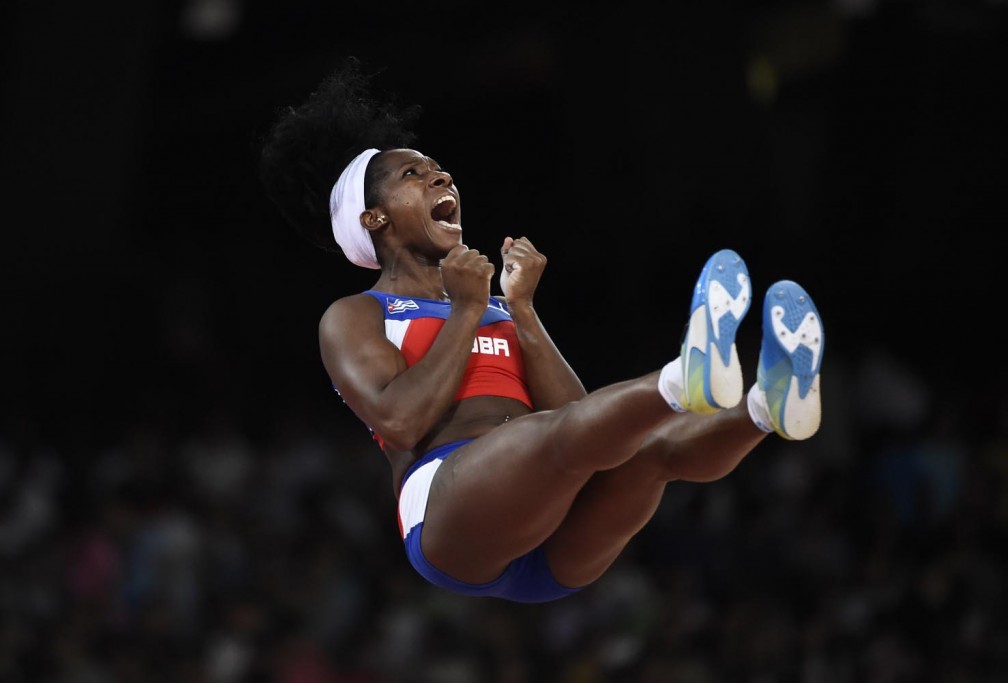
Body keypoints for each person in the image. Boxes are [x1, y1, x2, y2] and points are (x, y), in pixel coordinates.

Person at [258, 57, 824, 603]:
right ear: (374, 218)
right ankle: (683, 377)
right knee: (559, 438)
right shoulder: (356, 314)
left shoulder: (494, 304)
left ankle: (766, 407)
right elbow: (400, 422)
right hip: (448, 514)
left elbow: (580, 418)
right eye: (414, 174)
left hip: (551, 525)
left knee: (649, 454)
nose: (440, 176)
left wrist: (521, 308)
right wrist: (466, 309)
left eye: (438, 169)